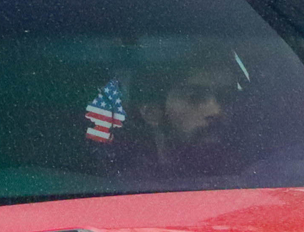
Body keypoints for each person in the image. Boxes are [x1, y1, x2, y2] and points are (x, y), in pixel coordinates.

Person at [95, 46, 249, 178]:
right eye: (194, 97)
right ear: (152, 113)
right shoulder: (124, 189)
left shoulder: (257, 176)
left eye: (227, 97)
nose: (216, 111)